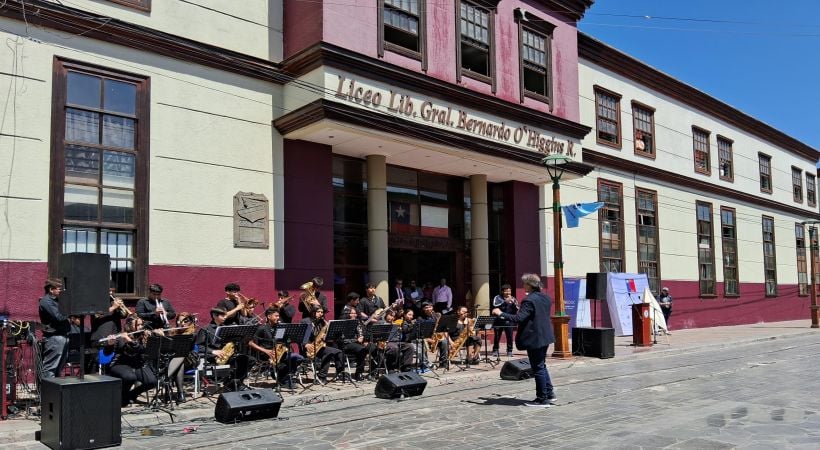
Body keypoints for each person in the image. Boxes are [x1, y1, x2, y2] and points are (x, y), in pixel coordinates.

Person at [492, 273, 557, 407]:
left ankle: (542, 399)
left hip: (535, 338)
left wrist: (500, 313)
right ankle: (549, 394)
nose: (523, 286)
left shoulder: (529, 300)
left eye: (525, 283)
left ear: (530, 285)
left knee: (537, 368)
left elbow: (518, 318)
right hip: (545, 336)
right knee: (541, 366)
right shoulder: (545, 297)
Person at [106, 315, 159, 407]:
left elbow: (141, 349)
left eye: (141, 324)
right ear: (130, 325)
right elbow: (108, 353)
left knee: (152, 381)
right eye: (138, 325)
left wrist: (157, 335)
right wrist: (110, 344)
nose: (141, 327)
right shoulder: (121, 337)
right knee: (130, 377)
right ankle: (123, 396)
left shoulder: (143, 336)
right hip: (120, 364)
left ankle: (132, 394)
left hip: (137, 364)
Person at [249, 307, 305, 389]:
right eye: (276, 316)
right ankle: (283, 380)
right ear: (269, 316)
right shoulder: (262, 328)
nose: (278, 318)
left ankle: (283, 377)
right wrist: (265, 350)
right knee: (286, 360)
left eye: (278, 316)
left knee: (299, 358)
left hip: (278, 352)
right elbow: (250, 343)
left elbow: (281, 341)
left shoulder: (279, 327)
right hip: (266, 354)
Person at [302, 307, 345, 383]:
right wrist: (305, 344)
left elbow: (325, 336)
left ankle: (340, 373)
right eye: (319, 312)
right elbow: (301, 335)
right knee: (329, 352)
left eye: (322, 312)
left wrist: (326, 335)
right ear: (313, 312)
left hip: (319, 346)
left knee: (339, 352)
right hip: (309, 347)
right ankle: (321, 376)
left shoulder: (322, 322)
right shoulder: (305, 321)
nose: (321, 314)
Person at [38, 279, 70, 379]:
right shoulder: (46, 301)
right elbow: (59, 317)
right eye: (60, 289)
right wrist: (71, 309)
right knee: (50, 368)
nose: (62, 291)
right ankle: (47, 392)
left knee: (59, 367)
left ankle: (55, 390)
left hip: (63, 335)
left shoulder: (57, 300)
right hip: (54, 338)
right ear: (51, 290)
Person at [491, 284, 518, 358]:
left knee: (509, 336)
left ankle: (509, 350)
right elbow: (495, 304)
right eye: (506, 291)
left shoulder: (513, 298)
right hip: (498, 319)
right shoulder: (497, 297)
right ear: (503, 291)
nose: (508, 293)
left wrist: (514, 303)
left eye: (509, 291)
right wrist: (505, 301)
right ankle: (495, 349)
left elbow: (517, 308)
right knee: (497, 335)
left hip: (509, 320)